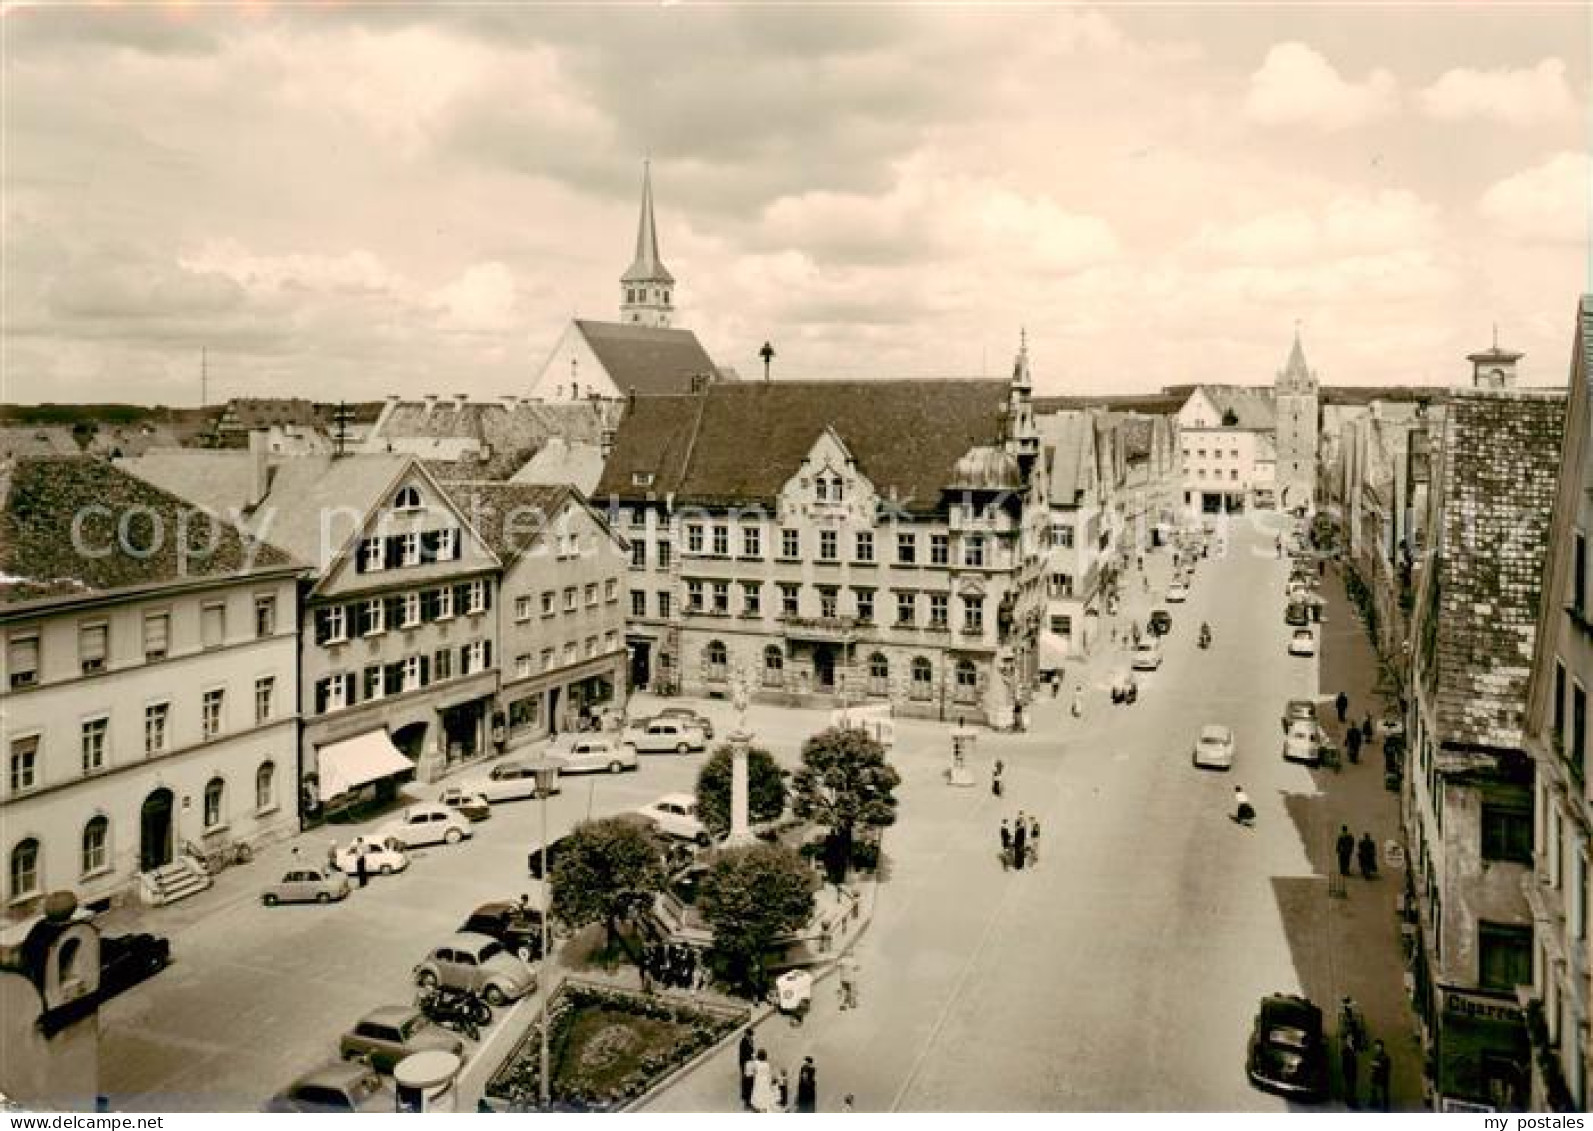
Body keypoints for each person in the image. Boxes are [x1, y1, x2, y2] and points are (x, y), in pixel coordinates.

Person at [1367, 1040, 1391, 1111]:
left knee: (1384, 1092)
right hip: (1376, 1076)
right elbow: (1374, 1065)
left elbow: (1385, 1065)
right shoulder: (1376, 1055)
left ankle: (1385, 1106)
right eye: (1375, 1046)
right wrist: (1373, 1066)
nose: (1376, 1047)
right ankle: (1375, 1103)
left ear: (1381, 1046)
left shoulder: (1385, 1056)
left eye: (1377, 1046)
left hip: (1383, 1077)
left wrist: (1375, 1064)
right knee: (1374, 1090)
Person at [1341, 1032, 1359, 1108]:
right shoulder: (1345, 1049)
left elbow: (1355, 1059)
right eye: (1349, 1038)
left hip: (1353, 1070)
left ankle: (1351, 1101)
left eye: (1351, 1037)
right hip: (1348, 1071)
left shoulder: (1354, 1048)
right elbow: (1344, 1061)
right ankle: (1351, 1102)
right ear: (1347, 1040)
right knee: (1349, 1087)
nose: (1350, 1039)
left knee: (1352, 1087)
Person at [739, 1032, 756, 1110]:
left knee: (749, 1082)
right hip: (746, 1065)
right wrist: (750, 1056)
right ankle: (747, 1101)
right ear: (746, 1035)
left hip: (750, 1064)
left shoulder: (751, 1041)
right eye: (750, 1035)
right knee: (747, 1082)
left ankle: (748, 1098)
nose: (751, 1036)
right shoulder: (743, 1043)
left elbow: (752, 1050)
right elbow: (743, 1055)